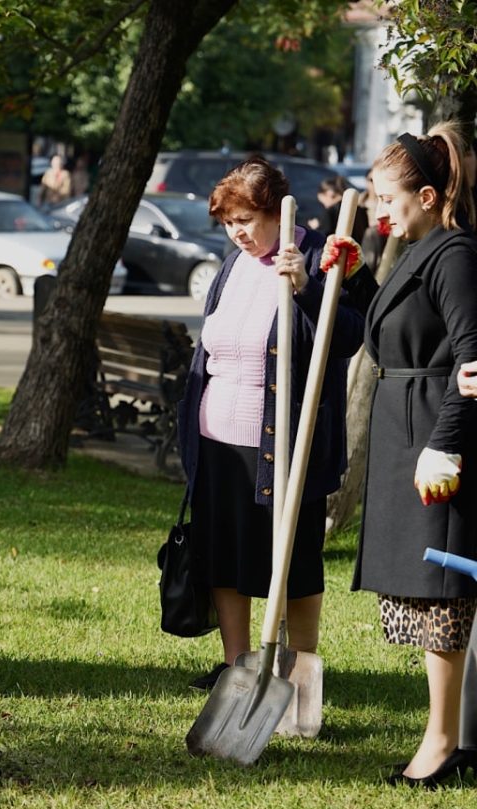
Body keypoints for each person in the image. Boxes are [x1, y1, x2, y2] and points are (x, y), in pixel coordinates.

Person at [177, 156, 369, 691]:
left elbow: (352, 336)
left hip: (286, 442)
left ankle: (299, 669)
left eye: (246, 220)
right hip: (219, 441)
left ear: (274, 212)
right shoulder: (233, 264)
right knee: (223, 555)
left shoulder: (323, 253)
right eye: (228, 222)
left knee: (297, 560)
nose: (238, 232)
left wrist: (307, 285)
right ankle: (237, 666)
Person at [353, 123, 477, 787]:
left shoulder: (453, 253)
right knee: (428, 597)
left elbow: (473, 357)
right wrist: (349, 283)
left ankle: (443, 744)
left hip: (436, 435)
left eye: (386, 199)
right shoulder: (412, 251)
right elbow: (383, 335)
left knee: (443, 595)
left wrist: (448, 445)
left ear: (427, 196)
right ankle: (445, 736)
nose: (377, 212)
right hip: (408, 435)